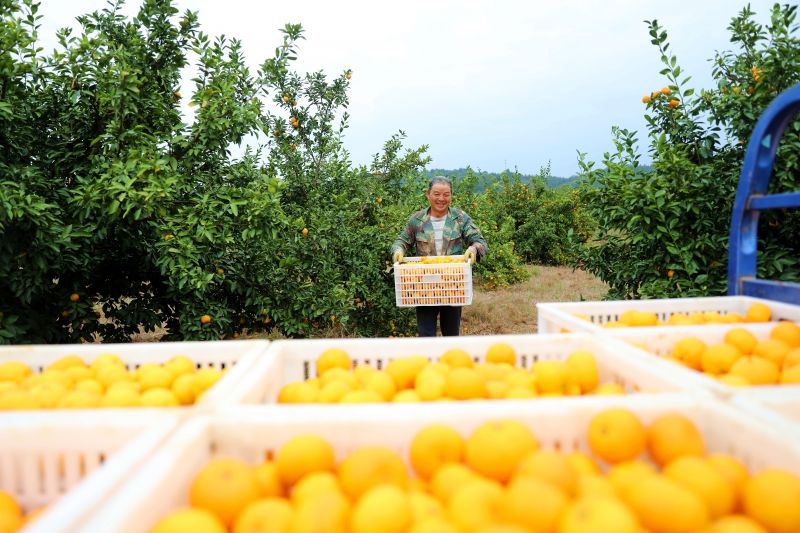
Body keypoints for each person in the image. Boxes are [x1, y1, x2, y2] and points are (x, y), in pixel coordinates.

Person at [390, 176, 488, 337]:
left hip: (453, 285)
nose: (441, 199)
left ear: (451, 195)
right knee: (426, 334)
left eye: (446, 194)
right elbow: (401, 241)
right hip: (425, 286)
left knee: (451, 334)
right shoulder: (417, 220)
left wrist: (474, 248)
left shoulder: (460, 218)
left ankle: (450, 361)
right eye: (436, 194)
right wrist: (398, 251)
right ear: (428, 194)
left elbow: (480, 241)